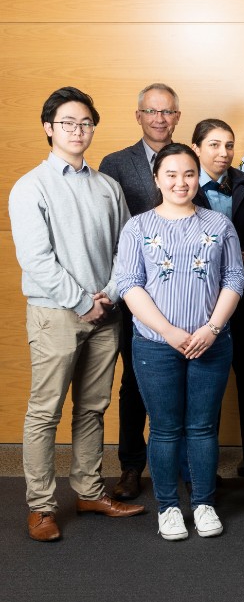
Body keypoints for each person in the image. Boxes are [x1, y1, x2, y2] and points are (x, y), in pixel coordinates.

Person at [11, 87, 144, 542]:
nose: (77, 130)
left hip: (105, 313)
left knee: (93, 407)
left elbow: (126, 248)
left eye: (85, 123)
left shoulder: (107, 186)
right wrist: (82, 300)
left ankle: (89, 489)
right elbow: (37, 259)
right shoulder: (31, 186)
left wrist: (106, 295)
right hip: (57, 314)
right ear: (49, 128)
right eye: (67, 122)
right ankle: (41, 506)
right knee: (45, 412)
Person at [115, 143, 244, 540]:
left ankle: (203, 502)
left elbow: (235, 278)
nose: (180, 182)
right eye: (170, 174)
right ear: (157, 178)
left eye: (188, 173)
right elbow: (128, 284)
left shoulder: (218, 224)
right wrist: (170, 332)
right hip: (156, 345)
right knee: (165, 429)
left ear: (197, 176)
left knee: (203, 427)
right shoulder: (138, 226)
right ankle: (169, 506)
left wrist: (212, 329)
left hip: (211, 341)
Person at [99, 82, 179, 500]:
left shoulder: (189, 159)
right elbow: (109, 231)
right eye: (152, 111)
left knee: (184, 378)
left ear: (177, 118)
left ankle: (186, 466)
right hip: (135, 291)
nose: (160, 119)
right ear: (139, 116)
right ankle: (131, 466)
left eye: (167, 112)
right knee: (134, 382)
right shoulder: (114, 164)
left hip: (184, 291)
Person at [190, 119, 244, 496]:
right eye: (213, 145)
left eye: (229, 145)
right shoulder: (183, 185)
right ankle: (199, 478)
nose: (223, 153)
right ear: (196, 148)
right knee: (204, 393)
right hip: (201, 304)